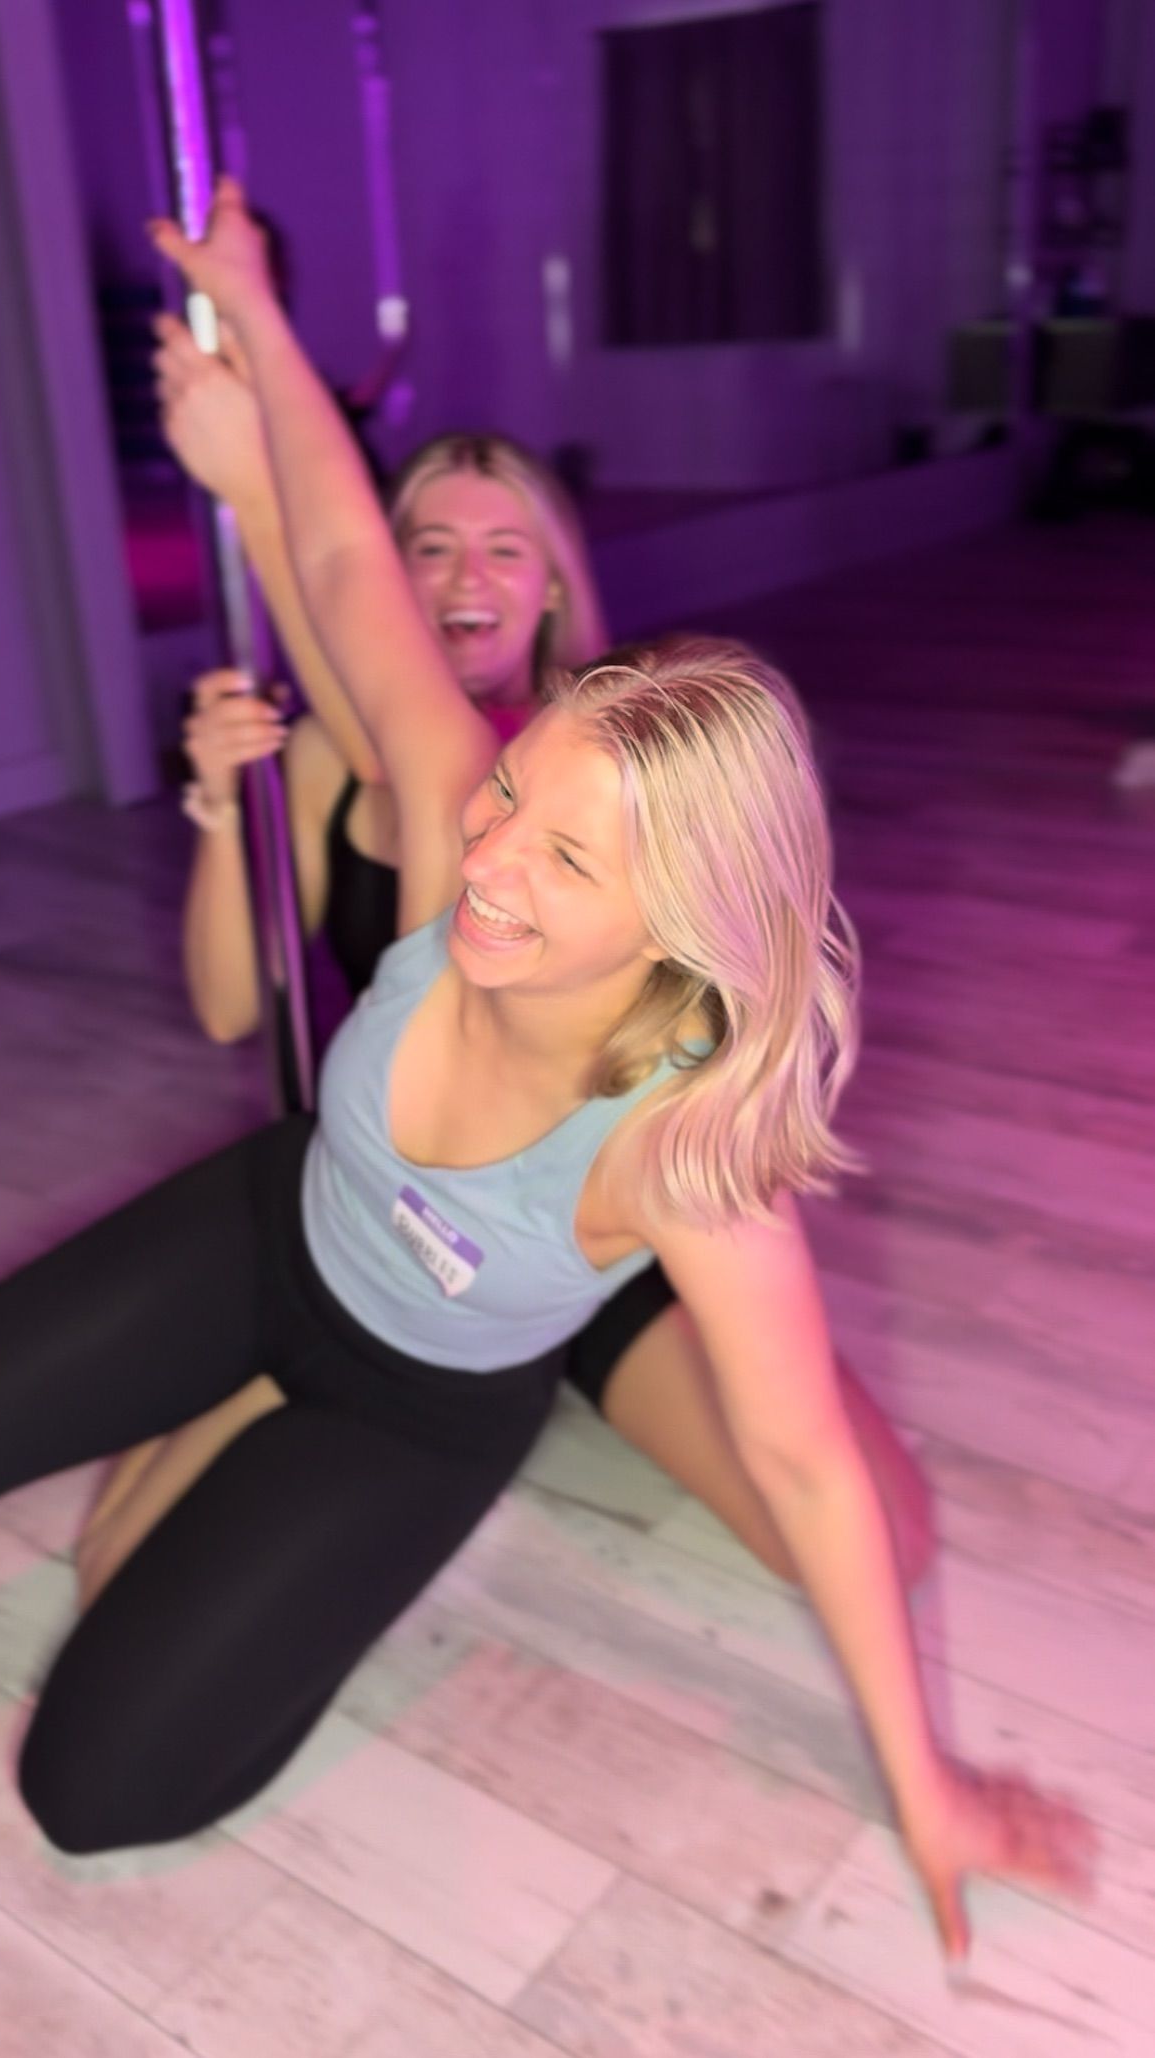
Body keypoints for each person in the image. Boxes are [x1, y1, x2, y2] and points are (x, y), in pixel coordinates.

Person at [0, 180, 1092, 1961]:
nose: (491, 861)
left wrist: (929, 1777)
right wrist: (253, 308)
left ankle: (267, 1462)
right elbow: (348, 565)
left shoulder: (678, 1145)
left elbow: (804, 1462)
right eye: (514, 795)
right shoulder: (451, 826)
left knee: (91, 1791)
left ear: (682, 930)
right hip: (269, 1231)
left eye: (564, 858)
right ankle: (224, 1405)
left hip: (411, 1403)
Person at [77, 310, 934, 1616]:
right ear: (386, 567)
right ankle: (353, 1373)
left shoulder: (580, 757)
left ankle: (549, 1374)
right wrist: (213, 809)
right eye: (424, 545)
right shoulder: (329, 750)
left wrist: (258, 490)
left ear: (551, 582)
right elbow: (225, 1003)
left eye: (503, 545)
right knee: (118, 1563)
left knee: (879, 1529)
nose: (460, 577)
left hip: (598, 1233)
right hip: (396, 1225)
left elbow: (404, 745)